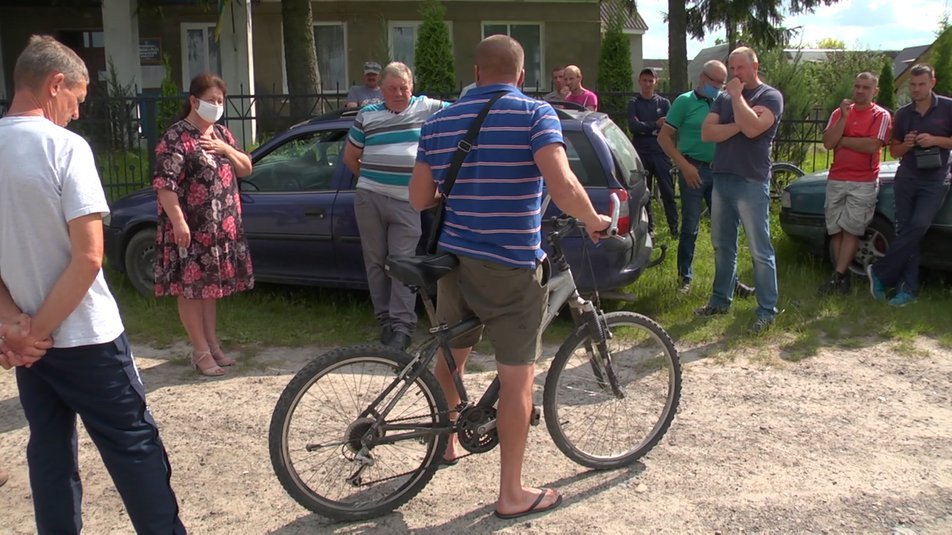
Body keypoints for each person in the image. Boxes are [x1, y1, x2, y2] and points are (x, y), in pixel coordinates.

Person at [409, 34, 611, 520]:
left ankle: (447, 442)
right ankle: (512, 494)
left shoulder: (439, 121)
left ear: (476, 73)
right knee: (517, 378)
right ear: (521, 76)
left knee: (453, 354)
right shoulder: (536, 114)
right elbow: (561, 183)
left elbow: (418, 198)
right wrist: (593, 219)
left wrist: (461, 194)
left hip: (455, 259)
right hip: (509, 264)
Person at [0, 34, 186, 533]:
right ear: (54, 84)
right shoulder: (64, 147)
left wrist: (15, 328)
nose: (78, 112)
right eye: (77, 98)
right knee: (134, 448)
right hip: (85, 336)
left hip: (28, 343)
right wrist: (35, 332)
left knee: (49, 453)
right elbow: (88, 258)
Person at [153, 72, 254, 376]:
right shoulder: (177, 137)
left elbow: (246, 168)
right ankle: (199, 351)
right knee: (191, 290)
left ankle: (213, 345)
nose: (216, 106)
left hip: (220, 230)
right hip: (191, 229)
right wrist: (179, 222)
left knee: (210, 290)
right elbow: (165, 184)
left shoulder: (222, 134)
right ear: (194, 101)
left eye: (220, 101)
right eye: (211, 100)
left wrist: (227, 150)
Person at [343, 62, 448, 350]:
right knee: (376, 262)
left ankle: (402, 328)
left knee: (403, 263)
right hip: (370, 198)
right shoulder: (367, 115)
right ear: (381, 89)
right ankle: (386, 322)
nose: (399, 93)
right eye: (392, 88)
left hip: (407, 201)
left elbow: (464, 114)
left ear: (412, 87)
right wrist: (372, 179)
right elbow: (350, 157)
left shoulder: (427, 107)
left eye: (404, 87)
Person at [698, 46, 783, 333]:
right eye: (731, 69)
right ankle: (720, 301)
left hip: (751, 181)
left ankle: (766, 311)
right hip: (723, 178)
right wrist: (740, 121)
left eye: (740, 68)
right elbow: (708, 132)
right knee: (723, 246)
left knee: (760, 249)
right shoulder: (723, 98)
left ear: (754, 67)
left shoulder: (770, 96)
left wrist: (737, 100)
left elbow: (754, 130)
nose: (735, 74)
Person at [868, 64, 952, 306]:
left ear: (932, 83)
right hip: (907, 177)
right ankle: (907, 290)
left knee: (918, 226)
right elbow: (894, 151)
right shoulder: (904, 113)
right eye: (913, 85)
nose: (916, 89)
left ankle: (880, 271)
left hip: (935, 180)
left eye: (921, 84)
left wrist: (934, 139)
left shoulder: (948, 107)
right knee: (906, 231)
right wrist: (907, 144)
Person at [818, 72, 891, 296]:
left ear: (875, 91)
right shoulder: (839, 113)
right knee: (835, 230)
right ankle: (841, 276)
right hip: (837, 178)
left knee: (851, 230)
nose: (860, 91)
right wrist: (843, 119)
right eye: (857, 86)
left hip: (863, 181)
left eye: (865, 87)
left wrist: (843, 141)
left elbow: (872, 145)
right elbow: (828, 143)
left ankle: (838, 277)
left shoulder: (880, 115)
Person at [629, 68, 677, 237]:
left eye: (651, 81)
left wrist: (646, 127)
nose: (647, 84)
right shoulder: (634, 103)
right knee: (645, 193)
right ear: (639, 82)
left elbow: (670, 126)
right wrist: (655, 125)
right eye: (644, 80)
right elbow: (634, 126)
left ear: (656, 82)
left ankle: (674, 229)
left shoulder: (664, 103)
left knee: (668, 191)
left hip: (660, 152)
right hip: (641, 152)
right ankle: (648, 229)